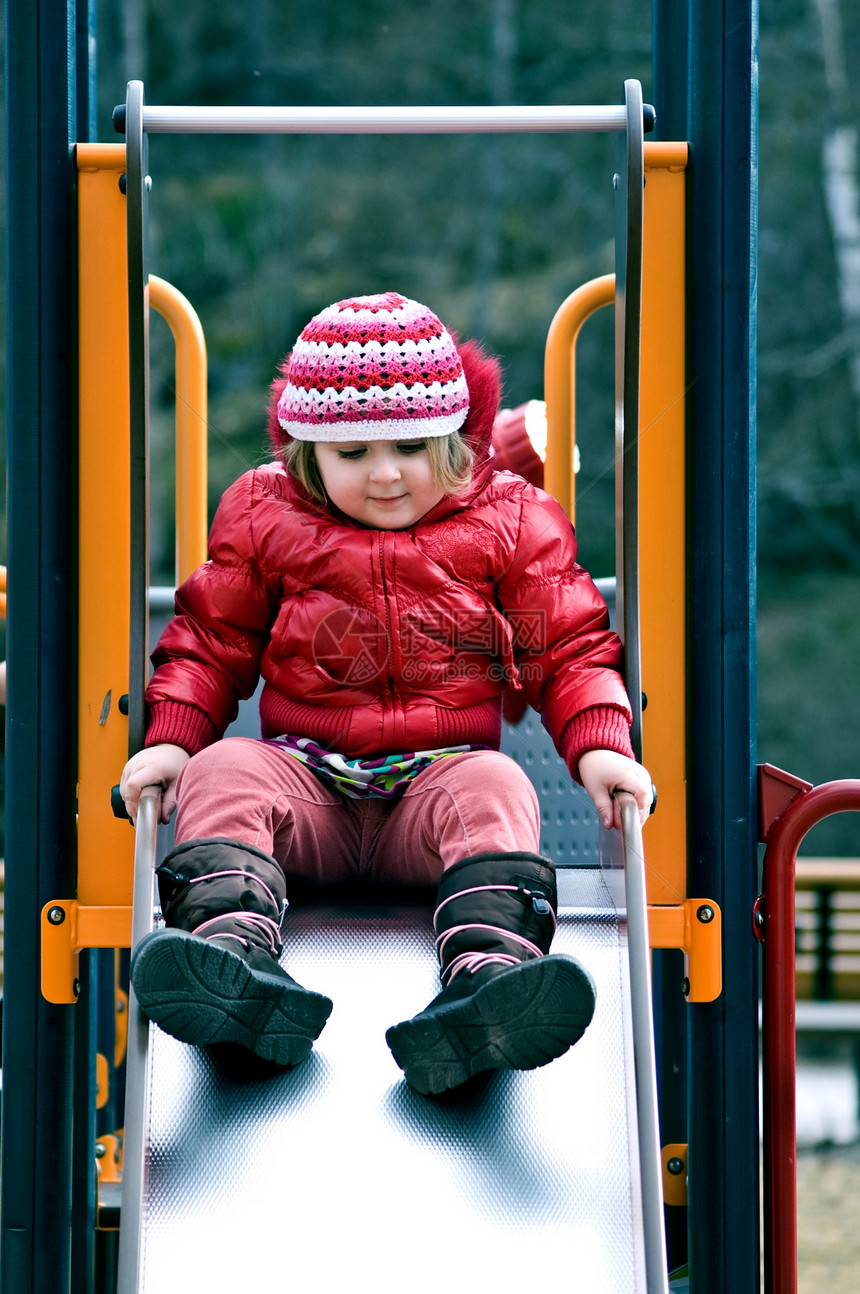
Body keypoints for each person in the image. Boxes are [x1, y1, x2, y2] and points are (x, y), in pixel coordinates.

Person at [120, 291, 653, 1095]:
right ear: (306, 453)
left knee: (496, 783)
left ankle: (489, 984)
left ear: (455, 438)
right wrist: (171, 737)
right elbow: (212, 637)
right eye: (353, 452)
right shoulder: (265, 513)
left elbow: (568, 644)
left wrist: (603, 748)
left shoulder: (509, 517)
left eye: (410, 446)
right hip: (308, 793)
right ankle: (230, 965)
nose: (387, 473)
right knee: (225, 770)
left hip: (433, 798)